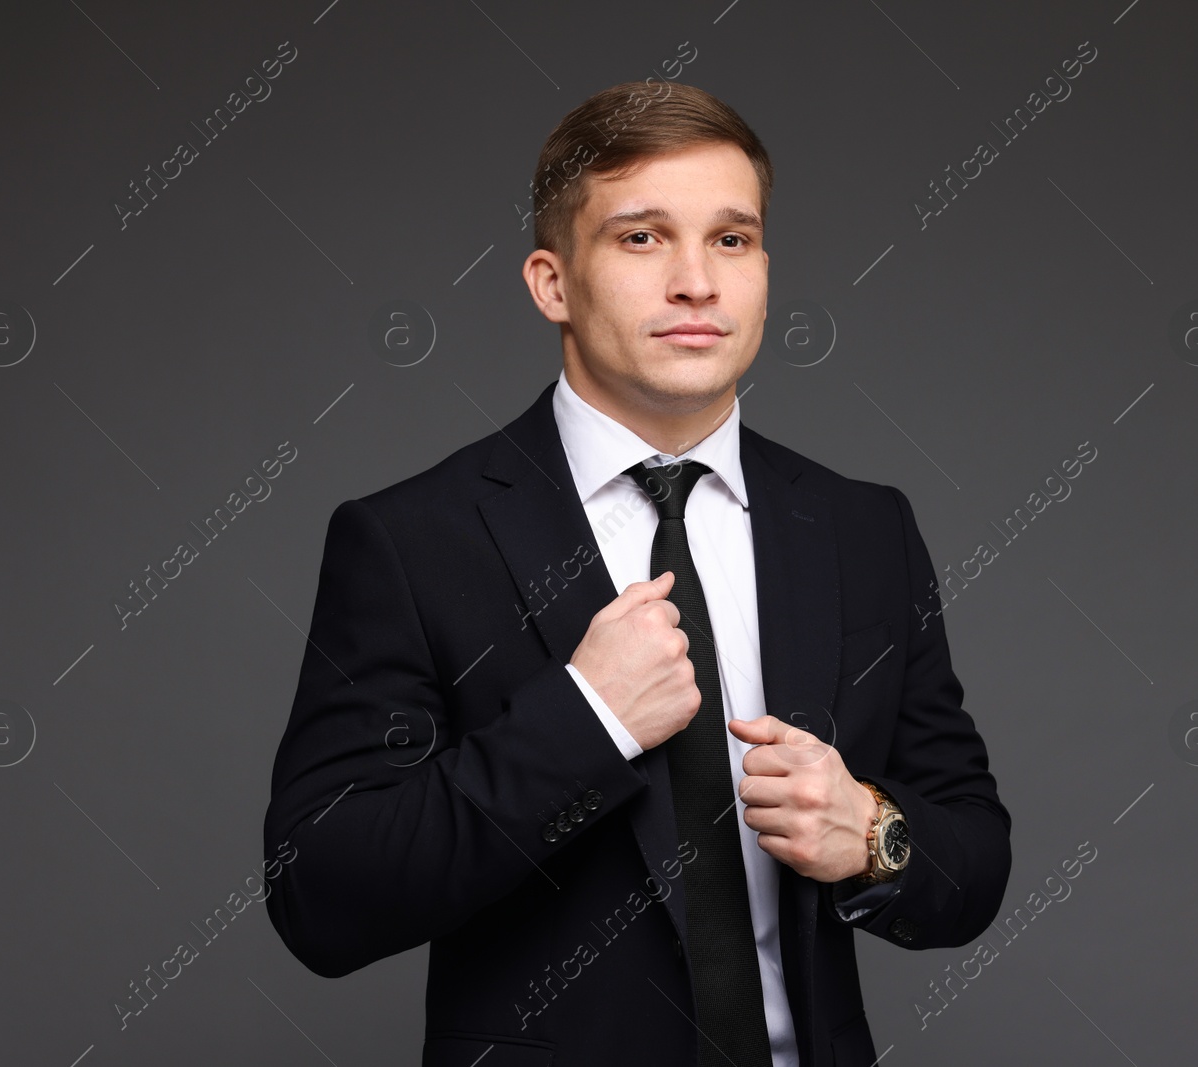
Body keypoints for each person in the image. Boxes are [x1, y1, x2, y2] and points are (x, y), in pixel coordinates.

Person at [263, 79, 1010, 1067]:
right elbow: (321, 895)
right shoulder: (410, 540)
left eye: (731, 239)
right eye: (641, 237)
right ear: (551, 282)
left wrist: (872, 832)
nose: (697, 281)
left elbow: (973, 861)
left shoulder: (862, 528)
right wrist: (586, 718)